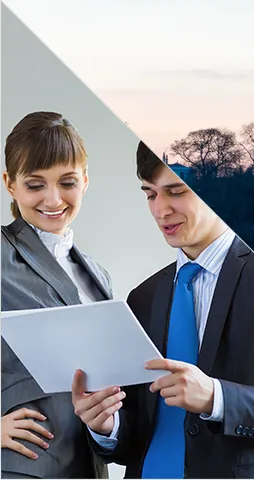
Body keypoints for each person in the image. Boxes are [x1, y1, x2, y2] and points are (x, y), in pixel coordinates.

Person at [71, 142, 254, 478]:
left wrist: (216, 398)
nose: (160, 210)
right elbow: (136, 433)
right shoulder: (143, 297)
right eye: (150, 194)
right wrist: (107, 425)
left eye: (176, 191)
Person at [1, 111, 113, 479]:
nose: (53, 199)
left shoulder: (97, 276)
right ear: (9, 184)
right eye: (35, 185)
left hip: (87, 467)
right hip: (23, 468)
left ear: (85, 181)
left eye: (67, 182)